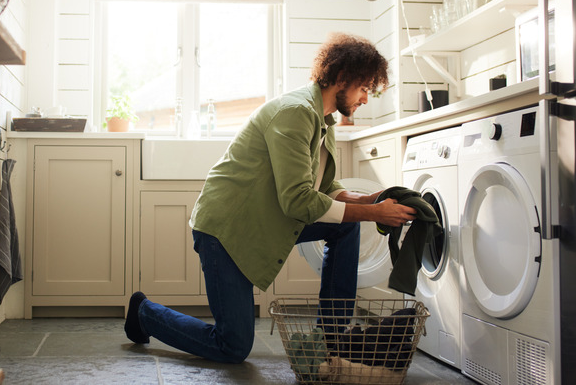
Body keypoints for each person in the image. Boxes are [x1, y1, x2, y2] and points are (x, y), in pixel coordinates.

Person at [124, 32, 417, 363]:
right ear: (342, 78)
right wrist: (374, 215)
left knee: (345, 226)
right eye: (365, 88)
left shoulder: (323, 120)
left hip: (261, 221)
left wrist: (370, 200)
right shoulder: (295, 113)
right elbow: (297, 202)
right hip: (227, 229)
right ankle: (144, 313)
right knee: (232, 346)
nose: (366, 98)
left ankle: (331, 340)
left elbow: (324, 188)